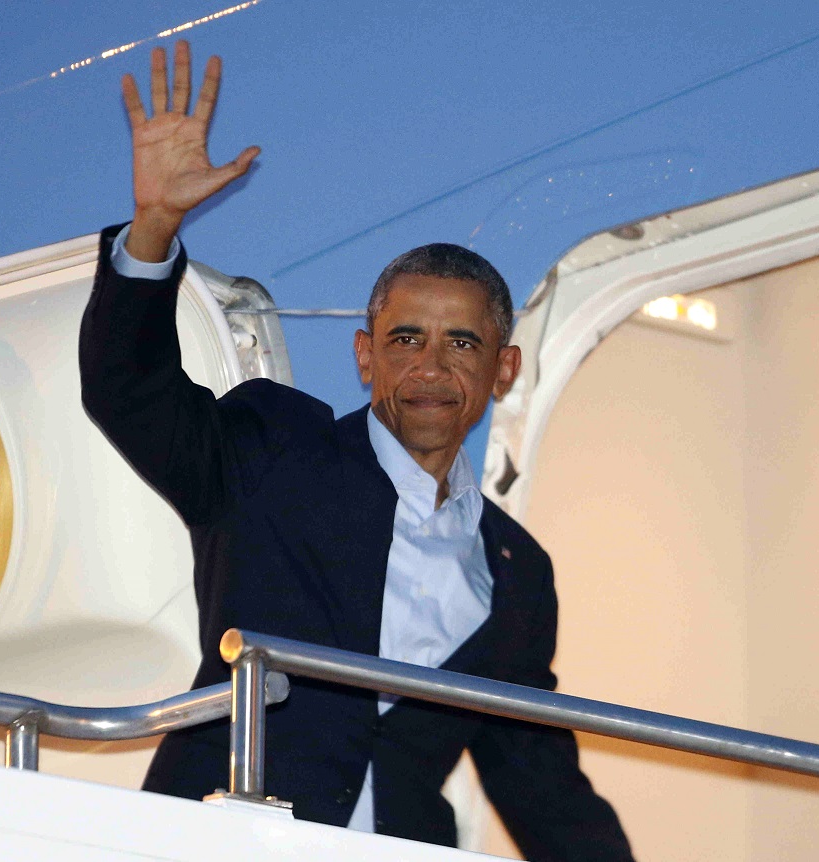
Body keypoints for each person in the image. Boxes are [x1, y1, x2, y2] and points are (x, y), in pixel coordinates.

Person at [79, 41, 634, 859]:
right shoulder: (276, 447)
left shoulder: (519, 571)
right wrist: (154, 230)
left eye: (462, 344)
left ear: (503, 369)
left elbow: (539, 782)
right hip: (223, 833)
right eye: (405, 339)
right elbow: (130, 391)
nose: (431, 368)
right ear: (365, 355)